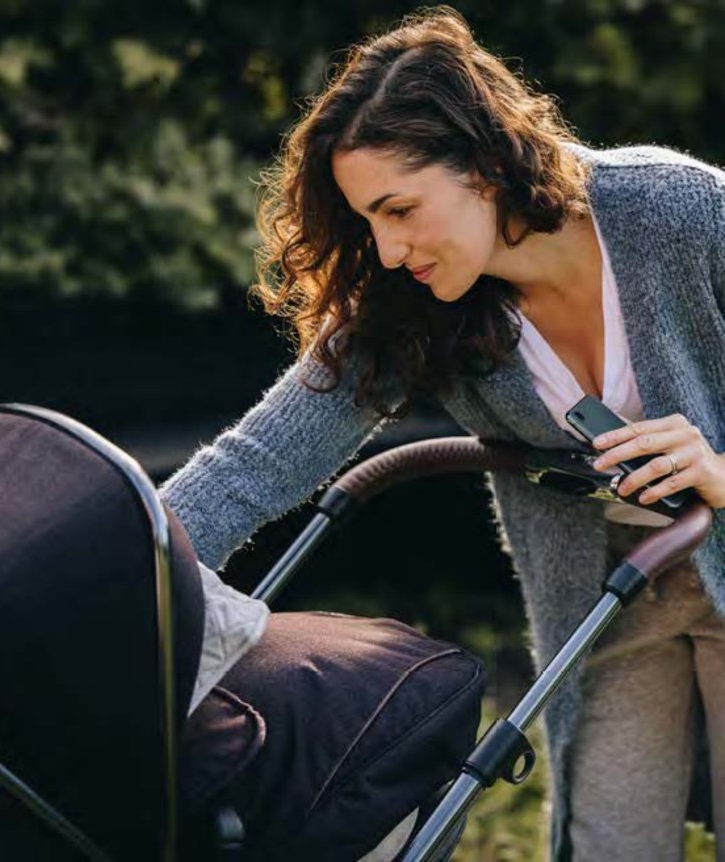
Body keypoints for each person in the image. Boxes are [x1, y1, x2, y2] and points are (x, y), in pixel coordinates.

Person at [159, 6, 725, 860]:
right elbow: (256, 464)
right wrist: (123, 563)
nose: (387, 250)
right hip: (611, 600)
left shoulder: (677, 215)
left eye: (400, 209)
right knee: (608, 844)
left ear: (486, 162)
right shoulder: (413, 307)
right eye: (368, 223)